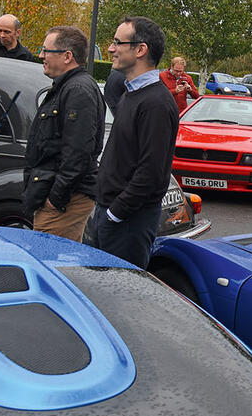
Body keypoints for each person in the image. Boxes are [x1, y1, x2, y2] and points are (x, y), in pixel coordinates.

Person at [86, 16, 178, 268]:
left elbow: (152, 173)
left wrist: (115, 214)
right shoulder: (132, 93)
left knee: (119, 299)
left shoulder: (156, 104)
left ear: (140, 49)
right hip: (111, 215)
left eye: (117, 42)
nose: (110, 48)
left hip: (127, 223)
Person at [24, 26, 105, 241]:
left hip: (66, 202)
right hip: (62, 199)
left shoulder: (78, 90)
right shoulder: (68, 87)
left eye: (46, 50)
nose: (41, 55)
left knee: (50, 263)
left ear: (67, 56)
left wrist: (55, 199)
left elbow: (78, 152)